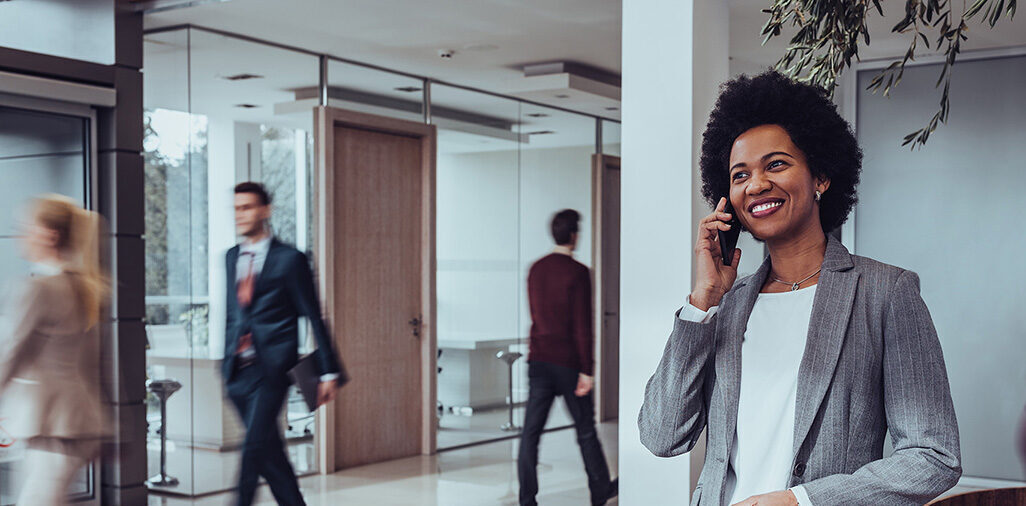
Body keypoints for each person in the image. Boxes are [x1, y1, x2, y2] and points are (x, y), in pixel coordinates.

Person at [638, 71, 961, 506]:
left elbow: (933, 456)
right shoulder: (726, 306)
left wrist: (802, 500)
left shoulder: (885, 293)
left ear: (821, 177)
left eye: (776, 164)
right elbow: (662, 435)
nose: (755, 185)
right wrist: (702, 303)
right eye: (739, 175)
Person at [225, 182, 342, 506]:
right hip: (237, 374)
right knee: (270, 456)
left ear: (265, 211)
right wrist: (226, 365)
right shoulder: (231, 257)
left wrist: (329, 372)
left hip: (271, 371)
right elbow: (233, 316)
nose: (240, 215)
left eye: (247, 207)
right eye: (236, 208)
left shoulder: (290, 259)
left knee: (251, 453)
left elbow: (314, 316)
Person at [0, 195, 109, 506]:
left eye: (26, 228)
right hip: (74, 421)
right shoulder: (82, 287)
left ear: (49, 235)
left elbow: (11, 355)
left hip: (52, 425)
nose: (20, 235)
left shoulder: (38, 288)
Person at [518, 209, 617, 506]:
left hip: (538, 361)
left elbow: (537, 315)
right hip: (568, 364)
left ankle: (527, 499)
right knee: (585, 430)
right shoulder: (577, 272)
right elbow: (582, 325)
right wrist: (587, 370)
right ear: (575, 235)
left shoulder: (535, 269)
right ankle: (599, 492)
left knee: (530, 434)